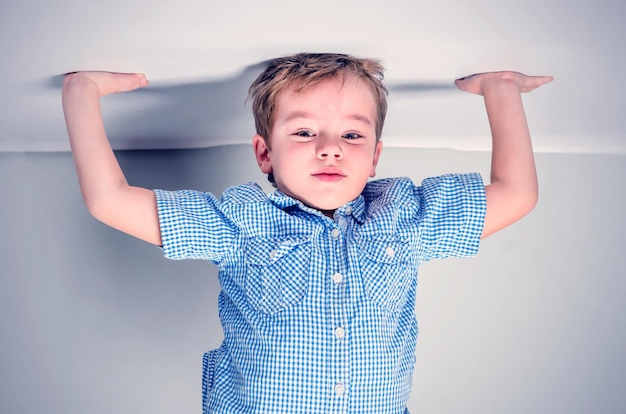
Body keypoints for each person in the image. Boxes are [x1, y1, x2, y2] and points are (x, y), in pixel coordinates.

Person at [62, 52, 552, 414]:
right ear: (264, 155)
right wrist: (81, 93)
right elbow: (111, 200)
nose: (330, 149)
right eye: (303, 132)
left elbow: (515, 194)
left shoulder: (404, 217)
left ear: (375, 156)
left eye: (353, 135)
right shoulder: (242, 223)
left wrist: (500, 88)